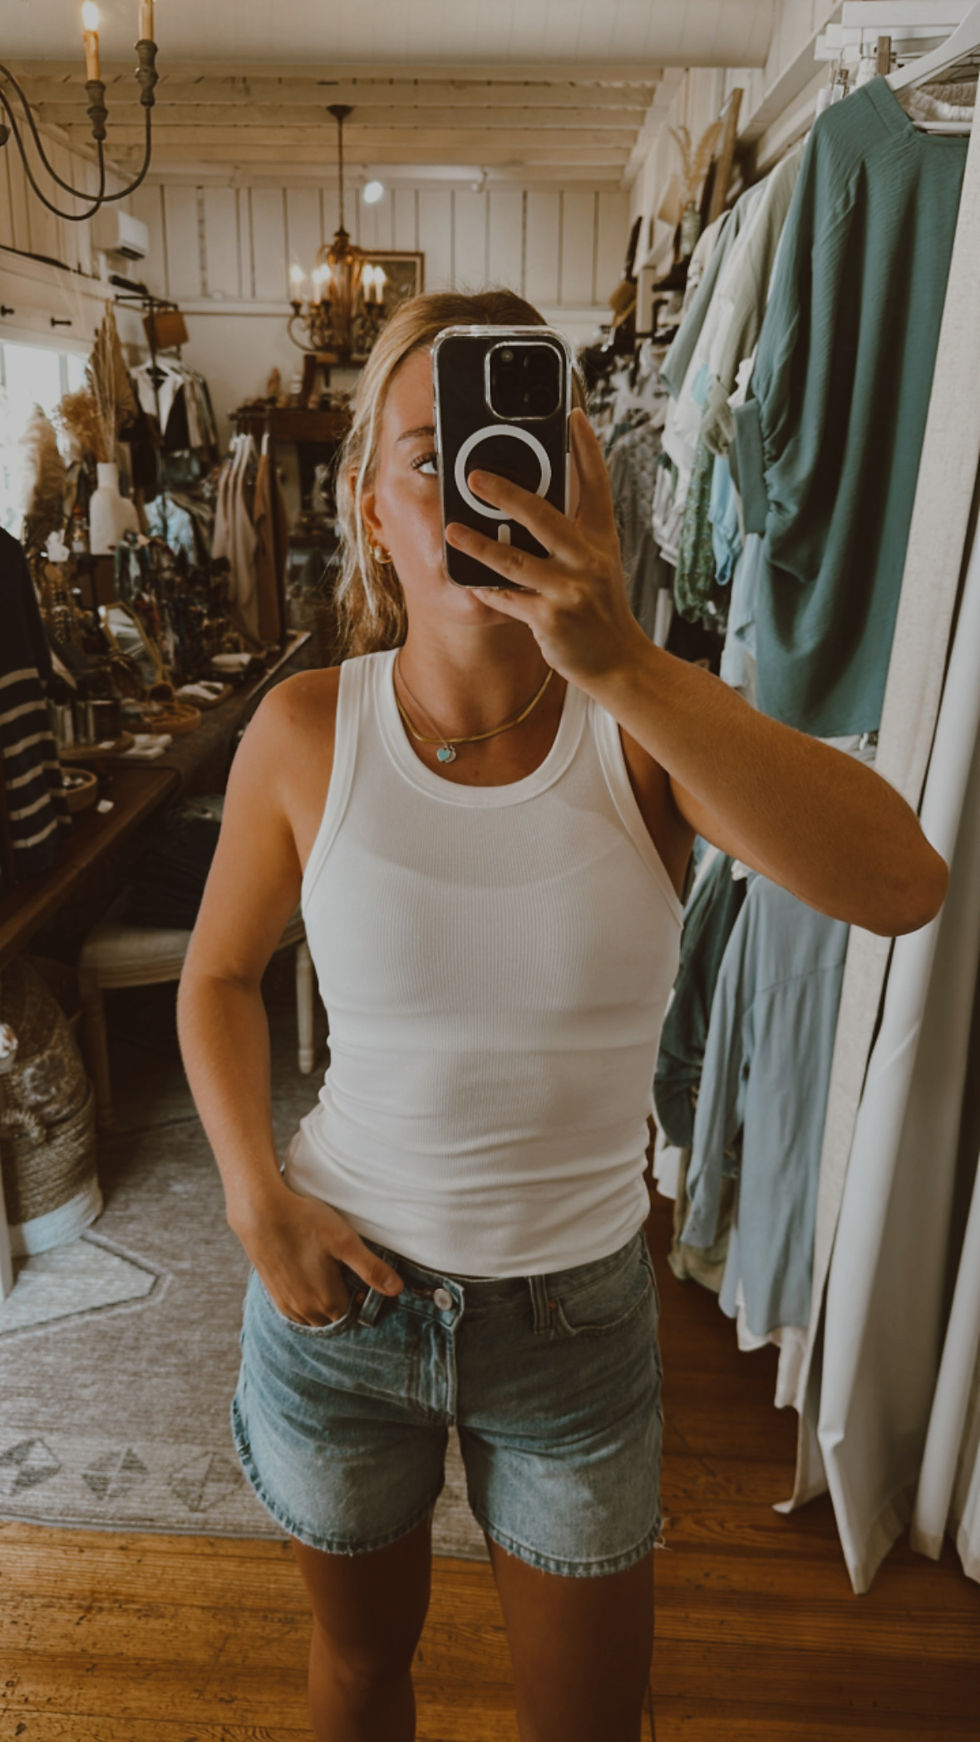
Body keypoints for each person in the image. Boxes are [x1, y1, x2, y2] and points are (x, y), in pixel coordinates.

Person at [176, 289, 948, 1742]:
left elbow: (905, 882)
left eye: (518, 450)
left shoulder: (645, 730)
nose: (480, 491)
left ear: (583, 482)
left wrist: (625, 663)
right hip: (342, 1303)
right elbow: (215, 977)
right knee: (358, 1673)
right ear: (371, 511)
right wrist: (250, 1196)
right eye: (434, 457)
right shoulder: (305, 731)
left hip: (573, 1327)